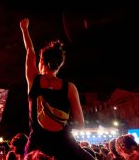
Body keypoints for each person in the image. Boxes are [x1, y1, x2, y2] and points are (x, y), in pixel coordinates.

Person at [20, 18, 95, 160]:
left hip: (37, 147)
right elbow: (80, 124)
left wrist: (24, 29)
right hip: (64, 146)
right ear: (60, 64)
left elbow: (30, 51)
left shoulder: (33, 80)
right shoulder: (69, 87)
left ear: (41, 61)